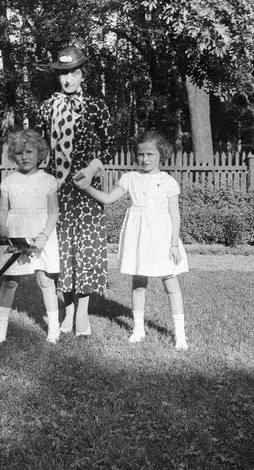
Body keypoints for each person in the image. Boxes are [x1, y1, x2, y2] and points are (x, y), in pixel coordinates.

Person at [75, 129, 189, 350]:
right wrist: (86, 186)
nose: (144, 159)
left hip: (162, 237)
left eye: (150, 154)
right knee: (138, 283)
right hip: (139, 235)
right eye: (140, 154)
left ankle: (180, 334)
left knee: (170, 283)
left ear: (161, 154)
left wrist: (174, 244)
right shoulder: (130, 178)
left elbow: (175, 215)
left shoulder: (168, 182)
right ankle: (138, 329)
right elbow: (108, 198)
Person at [34, 46, 116, 336]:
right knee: (61, 250)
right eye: (63, 74)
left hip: (85, 189)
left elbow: (110, 145)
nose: (68, 79)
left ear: (83, 75)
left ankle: (82, 312)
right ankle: (67, 309)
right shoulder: (46, 108)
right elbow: (38, 148)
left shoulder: (96, 107)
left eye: (74, 73)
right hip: (56, 189)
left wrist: (93, 168)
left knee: (86, 248)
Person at [0, 129, 60, 344]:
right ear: (13, 155)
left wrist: (44, 235)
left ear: (40, 153)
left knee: (45, 280)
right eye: (20, 153)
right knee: (10, 281)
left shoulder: (48, 180)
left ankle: (54, 328)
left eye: (29, 152)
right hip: (16, 233)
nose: (25, 157)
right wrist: (3, 226)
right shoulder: (9, 181)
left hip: (41, 233)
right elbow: (2, 209)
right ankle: (1, 327)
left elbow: (53, 212)